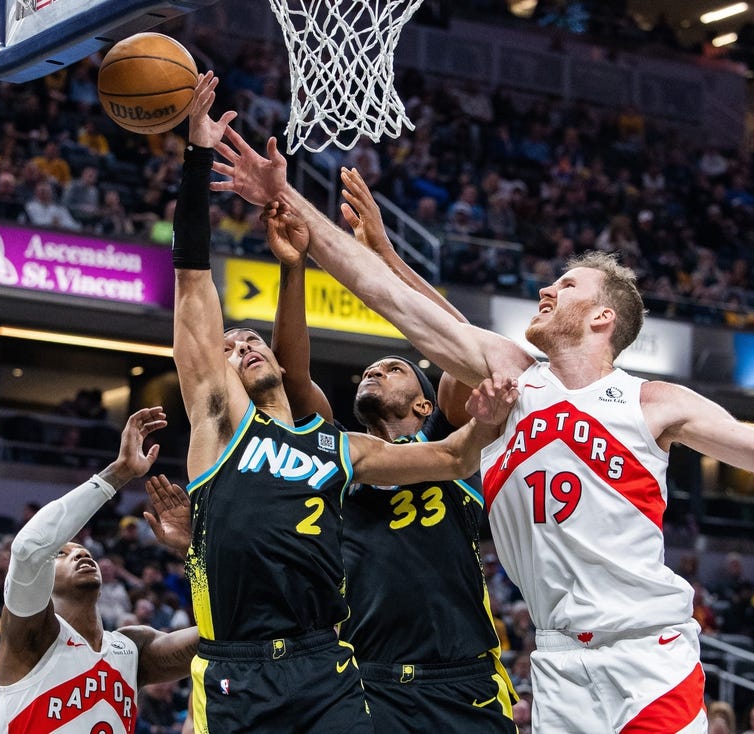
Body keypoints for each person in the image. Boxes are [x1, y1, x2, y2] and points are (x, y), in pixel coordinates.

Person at [211, 135, 754, 732]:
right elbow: (389, 298)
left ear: (601, 316)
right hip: (557, 662)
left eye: (565, 287)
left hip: (649, 652)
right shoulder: (511, 380)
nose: (545, 289)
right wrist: (287, 197)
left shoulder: (655, 401)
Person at [172, 72, 508, 734]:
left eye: (395, 366)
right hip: (308, 669)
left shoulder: (351, 449)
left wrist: (484, 430)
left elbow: (453, 412)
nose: (246, 350)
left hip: (381, 670)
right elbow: (198, 291)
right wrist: (196, 160)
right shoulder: (246, 427)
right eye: (234, 346)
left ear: (421, 405)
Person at [262, 186, 516, 731]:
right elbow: (293, 378)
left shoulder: (464, 444)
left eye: (394, 368)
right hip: (366, 678)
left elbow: (468, 345)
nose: (375, 371)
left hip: (464, 677)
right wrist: (293, 268)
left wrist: (385, 256)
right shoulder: (339, 452)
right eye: (369, 370)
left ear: (425, 404)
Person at [0, 407, 199, 733]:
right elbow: (30, 549)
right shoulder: (32, 636)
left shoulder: (132, 646)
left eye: (84, 550)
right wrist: (118, 473)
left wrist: (195, 553)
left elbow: (220, 635)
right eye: (61, 553)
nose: (79, 555)